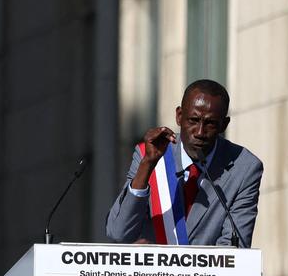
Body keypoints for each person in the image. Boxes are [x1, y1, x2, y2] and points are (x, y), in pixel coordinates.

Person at [105, 79, 263, 247]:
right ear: (179, 116)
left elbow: (234, 250)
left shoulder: (245, 167)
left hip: (208, 273)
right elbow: (119, 233)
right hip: (153, 273)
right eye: (193, 120)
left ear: (224, 125)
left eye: (210, 123)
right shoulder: (150, 154)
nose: (200, 132)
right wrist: (147, 164)